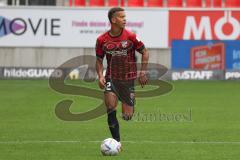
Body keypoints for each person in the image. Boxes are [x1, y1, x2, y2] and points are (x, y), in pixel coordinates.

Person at [95, 7, 149, 147]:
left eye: (125, 17)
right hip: (111, 78)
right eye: (121, 17)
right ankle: (117, 143)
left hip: (128, 79)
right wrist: (100, 75)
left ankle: (129, 103)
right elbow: (99, 60)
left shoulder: (131, 36)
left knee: (127, 116)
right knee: (110, 108)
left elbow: (145, 52)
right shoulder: (102, 40)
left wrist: (142, 72)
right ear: (113, 20)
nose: (125, 19)